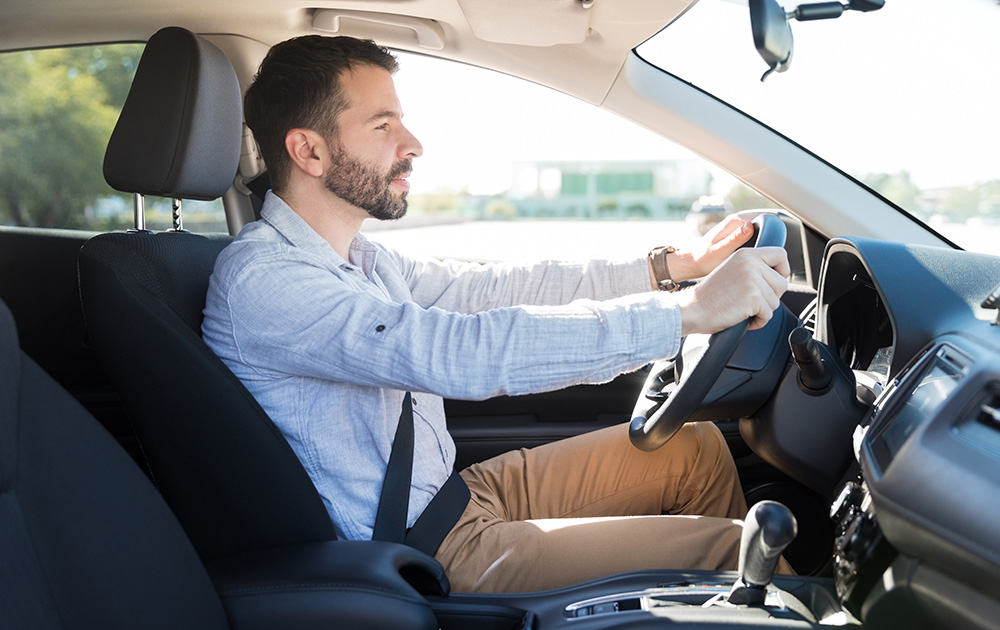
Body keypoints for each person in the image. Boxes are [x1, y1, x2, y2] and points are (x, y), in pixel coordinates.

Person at [202, 35, 791, 593]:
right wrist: (686, 313)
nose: (412, 144)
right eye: (383, 125)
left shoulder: (363, 259)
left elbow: (499, 289)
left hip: (456, 496)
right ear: (309, 150)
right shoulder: (265, 280)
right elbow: (462, 353)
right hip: (419, 548)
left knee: (694, 452)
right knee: (729, 550)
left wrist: (673, 268)